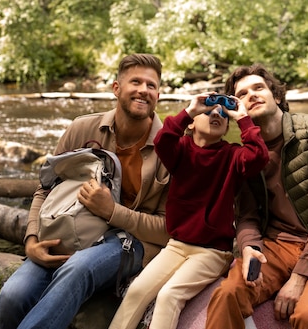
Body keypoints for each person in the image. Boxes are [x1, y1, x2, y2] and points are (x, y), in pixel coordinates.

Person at [0, 53, 171, 329]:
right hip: (69, 230)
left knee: (79, 269)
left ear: (158, 95)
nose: (143, 90)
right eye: (135, 82)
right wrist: (30, 240)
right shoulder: (82, 128)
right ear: (116, 88)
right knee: (12, 297)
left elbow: (167, 230)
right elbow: (44, 190)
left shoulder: (171, 149)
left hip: (131, 242)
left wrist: (113, 211)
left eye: (151, 85)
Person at [204, 64, 308, 329]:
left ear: (277, 97)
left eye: (259, 88)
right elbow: (246, 216)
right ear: (238, 109)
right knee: (226, 295)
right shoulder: (246, 153)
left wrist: (299, 277)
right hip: (277, 246)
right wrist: (249, 247)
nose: (252, 95)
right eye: (243, 94)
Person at [108, 92, 269, 329]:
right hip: (176, 245)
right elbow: (163, 140)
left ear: (227, 128)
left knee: (169, 295)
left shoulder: (232, 155)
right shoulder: (181, 150)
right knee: (137, 291)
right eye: (209, 111)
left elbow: (259, 156)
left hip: (213, 252)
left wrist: (243, 118)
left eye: (223, 114)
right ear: (192, 123)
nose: (216, 113)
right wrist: (189, 110)